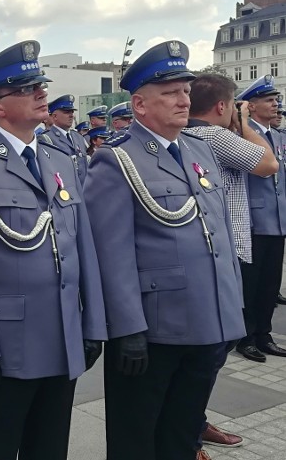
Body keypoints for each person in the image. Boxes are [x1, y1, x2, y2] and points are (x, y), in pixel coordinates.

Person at [0, 40, 106, 460]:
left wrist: (93, 325)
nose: (41, 93)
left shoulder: (59, 160)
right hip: (6, 345)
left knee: (49, 448)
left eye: (40, 85)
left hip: (62, 334)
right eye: (27, 88)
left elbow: (83, 246)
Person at [84, 40, 245, 460]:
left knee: (182, 429)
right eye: (170, 93)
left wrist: (231, 309)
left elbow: (220, 234)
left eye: (186, 91)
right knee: (137, 433)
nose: (183, 100)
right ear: (139, 104)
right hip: (156, 328)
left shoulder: (199, 149)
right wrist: (127, 329)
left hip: (208, 319)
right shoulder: (117, 160)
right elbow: (111, 254)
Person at [186, 73, 278, 458]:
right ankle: (188, 428)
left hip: (220, 250)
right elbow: (268, 164)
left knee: (214, 348)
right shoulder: (216, 135)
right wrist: (242, 123)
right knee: (212, 350)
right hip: (226, 253)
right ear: (223, 107)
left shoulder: (199, 135)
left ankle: (193, 420)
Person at [233, 75, 286, 362]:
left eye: (276, 99)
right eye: (269, 100)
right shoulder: (242, 134)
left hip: (276, 221)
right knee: (250, 285)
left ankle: (264, 334)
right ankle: (246, 336)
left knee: (270, 283)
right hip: (252, 220)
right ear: (250, 106)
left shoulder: (278, 136)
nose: (276, 104)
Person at [44, 94, 88, 184]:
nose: (71, 115)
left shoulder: (78, 137)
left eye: (72, 112)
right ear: (55, 116)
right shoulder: (47, 139)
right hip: (64, 192)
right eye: (66, 112)